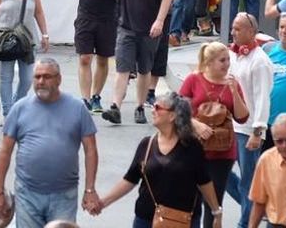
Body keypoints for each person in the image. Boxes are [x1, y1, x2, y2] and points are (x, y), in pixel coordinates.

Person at [0, 59, 99, 228]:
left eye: (47, 77)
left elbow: (91, 150)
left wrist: (90, 190)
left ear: (59, 79)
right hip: (27, 194)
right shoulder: (19, 108)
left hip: (64, 195)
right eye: (37, 77)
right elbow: (5, 152)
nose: (41, 82)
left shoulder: (77, 108)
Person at [91, 92, 223, 228]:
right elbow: (130, 180)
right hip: (145, 220)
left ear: (172, 116)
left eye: (158, 108)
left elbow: (204, 181)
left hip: (181, 220)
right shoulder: (146, 144)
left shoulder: (192, 147)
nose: (153, 111)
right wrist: (102, 203)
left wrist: (216, 212)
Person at [103, 0, 174, 126]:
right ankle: (115, 107)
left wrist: (159, 21)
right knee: (122, 67)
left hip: (149, 26)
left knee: (144, 70)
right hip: (127, 25)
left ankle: (140, 106)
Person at [179, 42, 249, 228]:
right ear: (209, 62)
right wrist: (196, 124)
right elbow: (179, 110)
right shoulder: (193, 79)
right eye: (222, 60)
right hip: (194, 149)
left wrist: (234, 92)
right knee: (191, 200)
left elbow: (242, 117)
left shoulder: (233, 83)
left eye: (228, 59)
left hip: (221, 152)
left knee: (214, 201)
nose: (227, 64)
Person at [225, 13, 274, 228]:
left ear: (251, 32)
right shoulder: (232, 55)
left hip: (248, 129)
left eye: (238, 29)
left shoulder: (260, 61)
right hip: (229, 125)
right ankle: (254, 208)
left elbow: (263, 97)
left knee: (248, 181)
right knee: (221, 173)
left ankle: (246, 222)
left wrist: (258, 131)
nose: (233, 32)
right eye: (233, 28)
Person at [66, 0, 118, 112]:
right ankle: (85, 98)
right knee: (85, 57)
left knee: (103, 59)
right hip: (85, 15)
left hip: (108, 16)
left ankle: (97, 95)